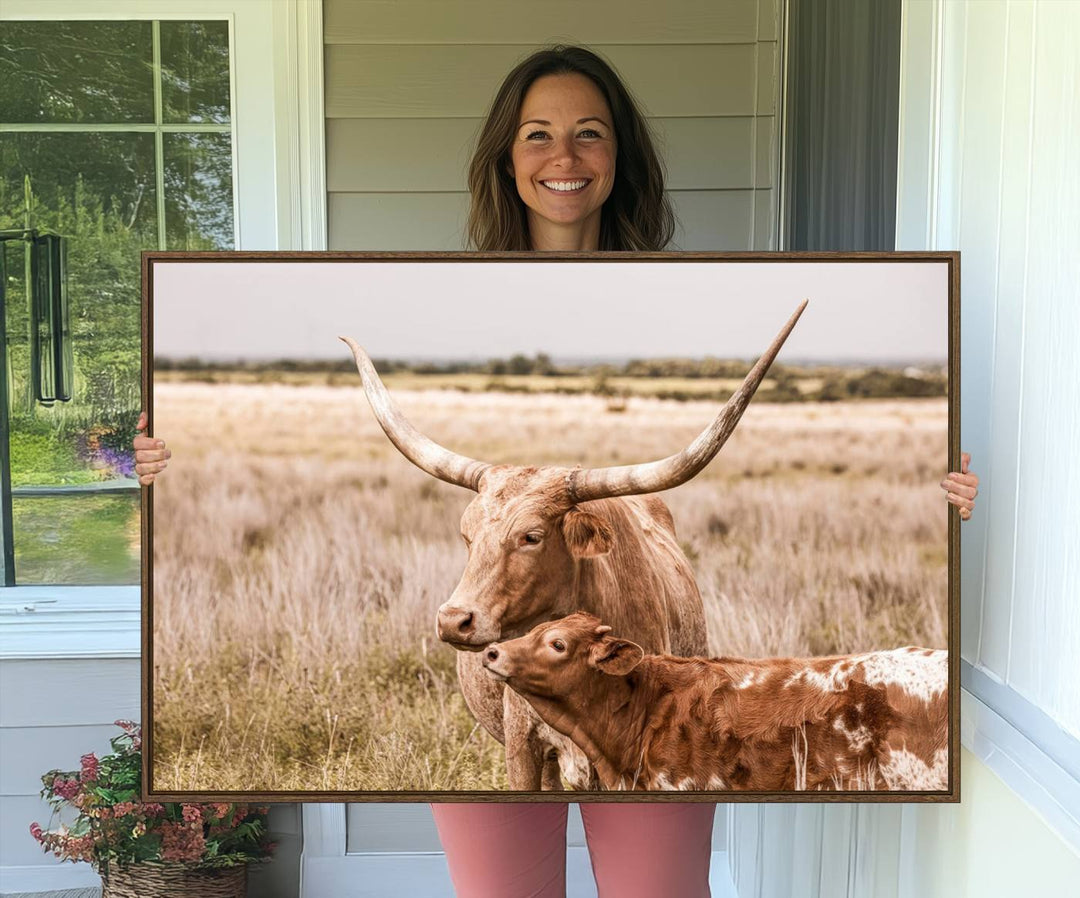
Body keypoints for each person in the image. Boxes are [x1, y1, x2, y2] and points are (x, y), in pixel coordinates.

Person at [134, 45, 979, 898]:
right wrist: (158, 464)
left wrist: (943, 490)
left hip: (649, 697)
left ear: (620, 157)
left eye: (589, 134)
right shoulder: (441, 295)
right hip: (513, 644)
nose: (563, 158)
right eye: (537, 135)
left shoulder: (692, 293)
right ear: (507, 156)